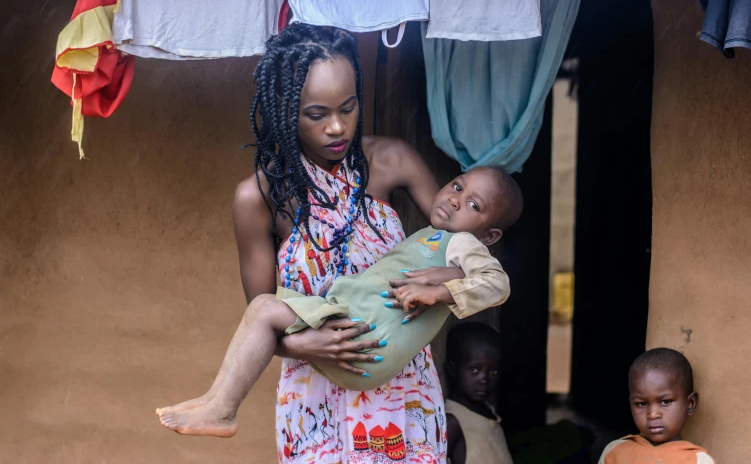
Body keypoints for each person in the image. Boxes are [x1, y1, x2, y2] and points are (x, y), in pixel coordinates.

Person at [155, 23, 469, 462]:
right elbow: (262, 317)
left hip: (402, 386)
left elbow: (463, 255)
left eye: (349, 107)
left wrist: (444, 281)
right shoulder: (259, 199)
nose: (338, 128)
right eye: (317, 114)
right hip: (317, 388)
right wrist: (305, 345)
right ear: (285, 111)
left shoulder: (393, 160)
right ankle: (218, 407)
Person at [157, 166, 522, 436]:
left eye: (473, 204)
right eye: (457, 185)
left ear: (489, 235)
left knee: (265, 309)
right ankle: (215, 400)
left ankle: (223, 409)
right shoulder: (434, 238)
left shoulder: (463, 244)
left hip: (364, 334)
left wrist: (441, 290)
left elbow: (497, 283)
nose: (456, 198)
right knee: (262, 309)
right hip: (353, 324)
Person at [598, 348, 715, 464]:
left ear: (690, 404)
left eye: (666, 402)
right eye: (641, 404)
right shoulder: (615, 452)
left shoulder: (698, 460)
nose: (653, 414)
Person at [445, 322, 513, 464]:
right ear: (452, 369)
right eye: (474, 369)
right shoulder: (453, 421)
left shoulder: (489, 412)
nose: (484, 379)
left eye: (493, 371)